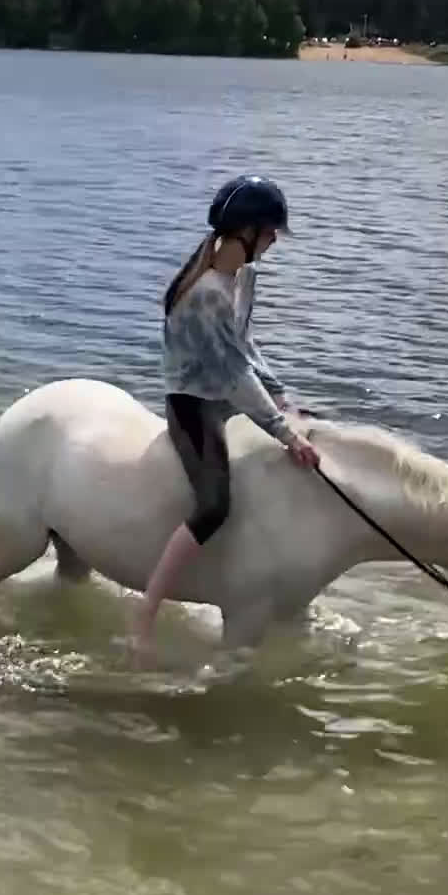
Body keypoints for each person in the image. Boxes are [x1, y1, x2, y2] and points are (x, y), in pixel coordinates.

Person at [130, 174, 320, 655]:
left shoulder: (242, 279)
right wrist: (285, 433)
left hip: (227, 393)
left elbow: (245, 347)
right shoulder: (206, 293)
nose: (275, 239)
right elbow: (233, 373)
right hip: (193, 404)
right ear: (246, 231)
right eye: (271, 230)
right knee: (215, 506)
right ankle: (145, 611)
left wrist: (282, 397)